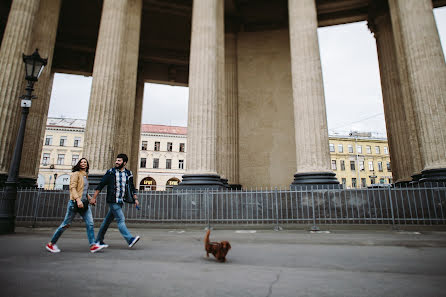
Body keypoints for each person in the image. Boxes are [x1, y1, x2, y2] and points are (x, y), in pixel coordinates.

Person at [45, 158, 105, 253]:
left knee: (90, 223)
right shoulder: (75, 174)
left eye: (85, 162)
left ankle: (93, 245)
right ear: (78, 164)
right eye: (81, 162)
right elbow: (72, 188)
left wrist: (90, 199)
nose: (83, 163)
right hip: (74, 203)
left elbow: (83, 191)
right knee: (65, 224)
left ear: (87, 164)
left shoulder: (85, 175)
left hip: (84, 204)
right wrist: (78, 200)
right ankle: (51, 244)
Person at [90, 153, 140, 248]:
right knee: (121, 219)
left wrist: (135, 199)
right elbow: (101, 185)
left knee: (107, 221)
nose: (116, 162)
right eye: (116, 160)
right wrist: (93, 197)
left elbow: (132, 187)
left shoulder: (128, 174)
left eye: (119, 161)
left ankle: (98, 241)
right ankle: (130, 239)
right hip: (113, 200)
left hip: (121, 201)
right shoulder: (110, 172)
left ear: (124, 163)